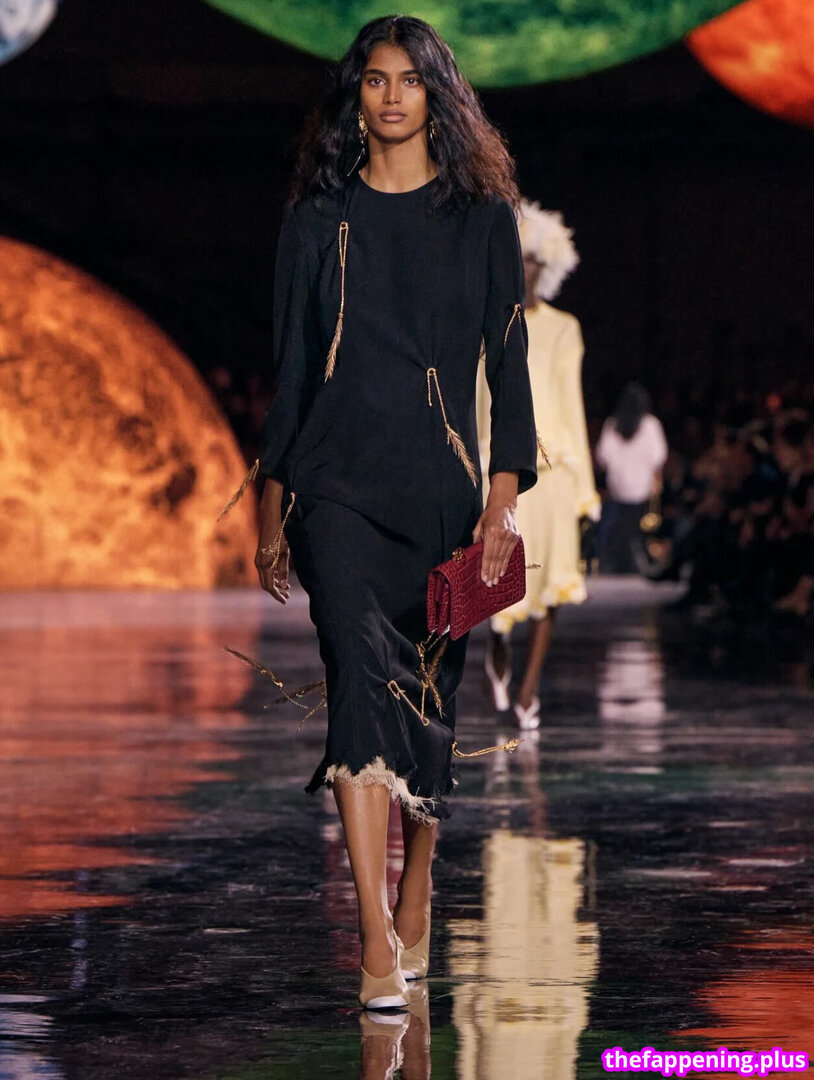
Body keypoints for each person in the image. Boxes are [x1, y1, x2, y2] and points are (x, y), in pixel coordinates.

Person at [223, 16, 537, 1009]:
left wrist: (502, 494)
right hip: (337, 492)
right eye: (374, 79)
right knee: (359, 686)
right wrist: (272, 503)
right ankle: (371, 934)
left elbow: (509, 360)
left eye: (409, 80)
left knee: (429, 706)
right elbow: (291, 370)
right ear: (354, 96)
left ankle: (417, 883)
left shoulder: (481, 219)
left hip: (442, 492)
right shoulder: (318, 221)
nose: (392, 96)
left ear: (437, 94)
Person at [476, 202, 599, 729]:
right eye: (520, 256)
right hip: (503, 469)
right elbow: (478, 400)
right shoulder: (488, 323)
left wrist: (585, 490)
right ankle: (499, 646)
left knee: (550, 587)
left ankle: (528, 690)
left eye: (534, 259)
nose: (527, 267)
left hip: (555, 472)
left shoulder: (565, 328)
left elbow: (572, 404)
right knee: (498, 583)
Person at [595, 383, 667, 574]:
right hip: (643, 491)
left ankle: (620, 562)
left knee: (620, 528)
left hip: (618, 491)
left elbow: (603, 457)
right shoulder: (651, 425)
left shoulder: (612, 424)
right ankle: (638, 562)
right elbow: (658, 457)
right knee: (638, 531)